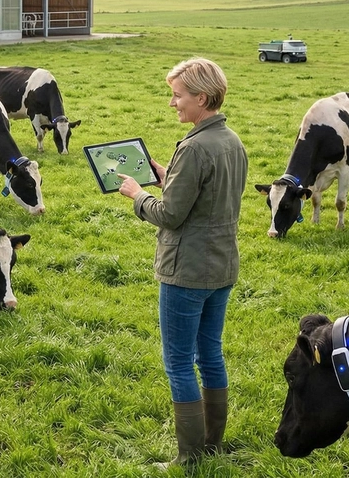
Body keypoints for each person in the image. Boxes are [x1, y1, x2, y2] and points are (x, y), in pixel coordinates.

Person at [117, 57, 248, 467]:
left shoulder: (193, 147)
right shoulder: (232, 141)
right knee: (210, 353)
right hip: (222, 266)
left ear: (202, 98)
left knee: (178, 362)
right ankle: (211, 444)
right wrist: (166, 174)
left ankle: (189, 458)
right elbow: (206, 196)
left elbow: (170, 215)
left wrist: (139, 195)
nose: (173, 103)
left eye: (177, 96)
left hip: (185, 272)